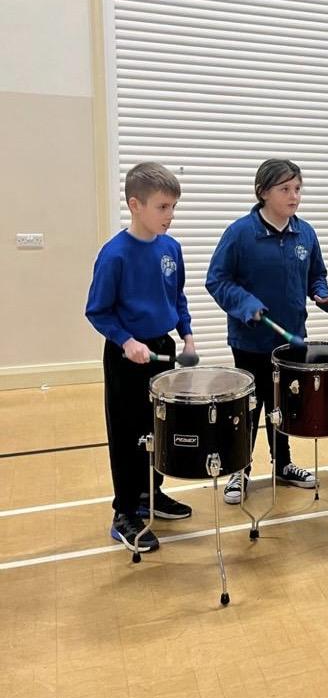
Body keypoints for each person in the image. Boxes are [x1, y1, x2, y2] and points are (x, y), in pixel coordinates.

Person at [205, 158, 328, 504]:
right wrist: (245, 303)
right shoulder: (240, 233)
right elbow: (217, 280)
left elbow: (316, 275)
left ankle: (283, 464)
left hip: (291, 340)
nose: (294, 196)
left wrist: (322, 296)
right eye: (285, 189)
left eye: (297, 188)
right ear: (263, 192)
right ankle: (239, 470)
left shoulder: (306, 233)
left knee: (283, 405)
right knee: (249, 408)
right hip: (250, 341)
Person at [86, 162, 196, 552]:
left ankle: (151, 493)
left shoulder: (171, 248)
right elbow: (97, 311)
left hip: (162, 349)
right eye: (163, 207)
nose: (170, 215)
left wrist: (187, 336)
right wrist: (125, 340)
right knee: (128, 433)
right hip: (127, 356)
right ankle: (125, 512)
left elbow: (177, 297)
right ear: (135, 205)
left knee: (157, 427)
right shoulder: (114, 255)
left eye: (173, 207)